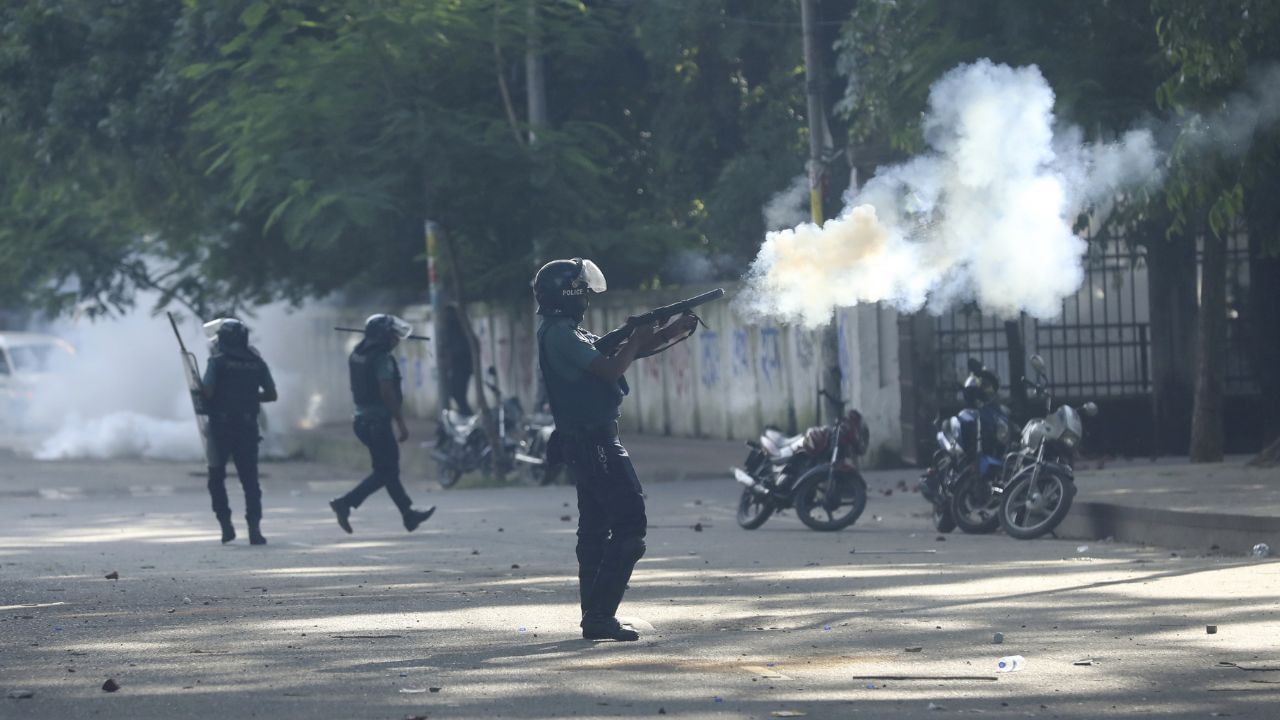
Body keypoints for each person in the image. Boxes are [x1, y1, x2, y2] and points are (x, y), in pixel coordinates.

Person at [533, 258, 697, 641]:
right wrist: (637, 337)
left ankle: (595, 615)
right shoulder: (559, 334)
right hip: (595, 442)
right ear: (569, 293)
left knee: (595, 529)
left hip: (588, 441)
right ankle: (600, 615)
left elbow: (622, 354)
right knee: (629, 525)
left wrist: (669, 332)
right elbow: (610, 369)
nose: (587, 298)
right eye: (583, 291)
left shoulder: (566, 332)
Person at [329, 314, 436, 534]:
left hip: (360, 421)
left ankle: (408, 514)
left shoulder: (357, 353)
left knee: (387, 470)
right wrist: (400, 422)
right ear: (383, 336)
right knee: (386, 471)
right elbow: (387, 392)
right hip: (378, 423)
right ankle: (345, 502)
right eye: (392, 334)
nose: (396, 339)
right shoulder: (382, 359)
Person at [201, 318, 277, 545]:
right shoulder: (257, 362)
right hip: (247, 427)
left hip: (220, 427)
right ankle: (254, 529)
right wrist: (249, 397)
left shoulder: (217, 362)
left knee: (216, 477)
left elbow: (207, 391)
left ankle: (226, 525)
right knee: (250, 480)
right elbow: (272, 394)